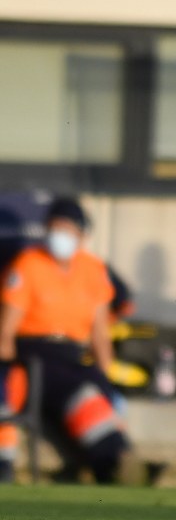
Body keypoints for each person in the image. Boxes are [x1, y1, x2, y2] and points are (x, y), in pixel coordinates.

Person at [0, 198, 131, 483]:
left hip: (72, 354)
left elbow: (99, 331)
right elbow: (6, 331)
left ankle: (119, 459)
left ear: (81, 235)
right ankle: (110, 463)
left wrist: (105, 374)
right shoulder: (28, 264)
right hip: (34, 351)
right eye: (53, 228)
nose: (57, 235)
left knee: (101, 394)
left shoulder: (93, 269)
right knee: (81, 394)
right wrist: (8, 366)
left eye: (65, 229)